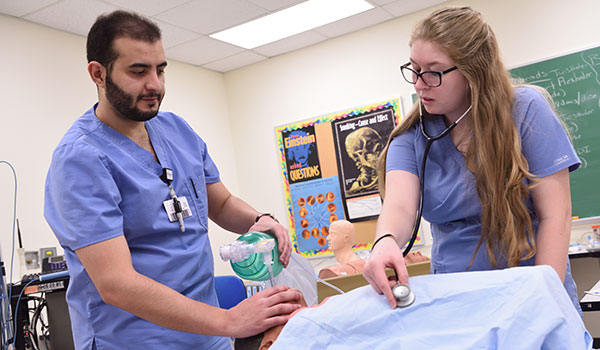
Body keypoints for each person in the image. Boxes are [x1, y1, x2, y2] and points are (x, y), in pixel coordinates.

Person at [44, 10, 300, 350]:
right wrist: (230, 320)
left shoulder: (176, 129)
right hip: (133, 341)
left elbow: (220, 203)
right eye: (138, 71)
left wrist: (258, 220)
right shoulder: (80, 159)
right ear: (98, 74)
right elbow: (116, 284)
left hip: (209, 337)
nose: (155, 85)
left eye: (160, 70)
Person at [362, 6, 582, 314]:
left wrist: (546, 301)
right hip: (457, 300)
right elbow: (399, 206)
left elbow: (555, 216)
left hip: (531, 288)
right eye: (414, 69)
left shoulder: (525, 110)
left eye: (433, 71)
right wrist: (384, 241)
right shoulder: (410, 137)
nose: (419, 83)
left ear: (473, 69)